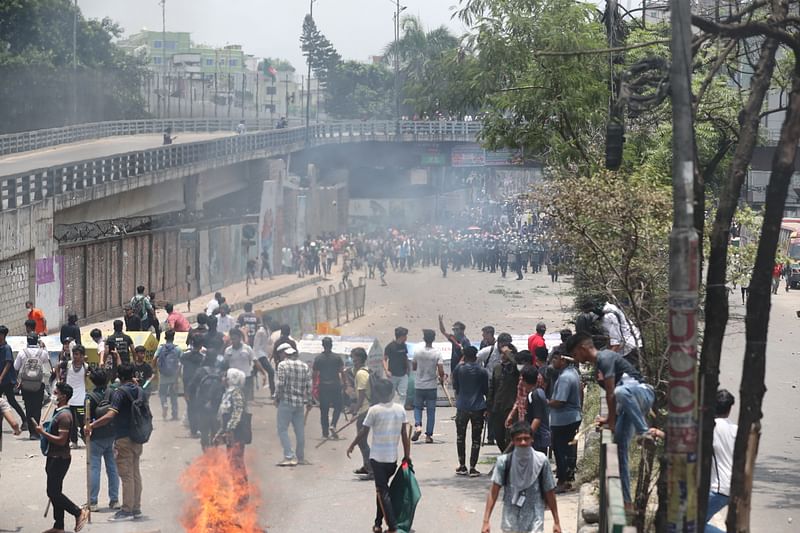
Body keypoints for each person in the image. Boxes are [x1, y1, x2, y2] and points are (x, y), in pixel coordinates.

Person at [566, 332, 663, 507]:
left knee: (619, 392)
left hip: (643, 393)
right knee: (619, 446)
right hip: (629, 403)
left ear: (582, 348)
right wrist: (609, 419)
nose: (576, 359)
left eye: (574, 354)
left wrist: (611, 422)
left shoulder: (605, 357)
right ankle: (627, 501)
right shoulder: (600, 365)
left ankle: (644, 433)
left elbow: (612, 394)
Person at [347, 378, 411, 533]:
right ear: (391, 392)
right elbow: (404, 434)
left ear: (376, 393)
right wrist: (407, 455)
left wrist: (352, 444)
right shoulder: (400, 409)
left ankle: (392, 526)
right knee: (381, 491)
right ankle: (377, 524)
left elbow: (364, 432)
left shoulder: (374, 410)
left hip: (377, 459)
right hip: (392, 459)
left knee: (382, 492)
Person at [87, 363, 148, 521]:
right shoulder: (140, 390)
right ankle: (136, 508)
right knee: (135, 473)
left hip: (123, 438)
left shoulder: (120, 393)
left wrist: (92, 425)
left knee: (126, 475)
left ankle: (126, 510)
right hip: (138, 436)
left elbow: (110, 415)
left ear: (119, 376)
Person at [481, 422, 561, 533]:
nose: (523, 442)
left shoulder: (542, 461)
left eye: (526, 438)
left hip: (535, 521)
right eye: (518, 439)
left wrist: (556, 521)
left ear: (532, 439)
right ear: (513, 441)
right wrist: (486, 521)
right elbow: (493, 492)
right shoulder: (504, 462)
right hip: (511, 521)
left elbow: (549, 491)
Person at [34, 382, 90, 533]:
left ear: (63, 396)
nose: (53, 395)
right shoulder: (58, 411)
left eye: (56, 392)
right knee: (54, 491)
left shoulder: (65, 416)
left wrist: (42, 432)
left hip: (60, 458)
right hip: (53, 457)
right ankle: (59, 526)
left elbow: (61, 440)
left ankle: (78, 512)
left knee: (53, 492)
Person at [548, 350, 583, 492]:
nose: (553, 362)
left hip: (563, 419)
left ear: (563, 360)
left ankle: (562, 481)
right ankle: (568, 479)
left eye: (555, 359)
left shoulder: (565, 378)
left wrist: (546, 402)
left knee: (560, 451)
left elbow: (560, 401)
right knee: (568, 450)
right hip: (572, 417)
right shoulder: (574, 372)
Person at [86, 368, 120, 512]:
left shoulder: (90, 397)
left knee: (94, 468)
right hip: (111, 435)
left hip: (96, 437)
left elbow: (86, 417)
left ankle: (93, 502)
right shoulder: (112, 393)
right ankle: (114, 500)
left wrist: (87, 429)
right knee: (112, 468)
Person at [452, 346, 488, 477]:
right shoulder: (482, 371)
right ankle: (473, 467)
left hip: (462, 407)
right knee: (476, 438)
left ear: (464, 356)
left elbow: (455, 386)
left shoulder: (458, 369)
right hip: (478, 407)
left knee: (460, 437)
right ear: (476, 356)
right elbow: (486, 390)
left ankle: (462, 465)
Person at [275, 343, 312, 466]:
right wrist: (310, 401)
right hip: (299, 404)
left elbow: (280, 384)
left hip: (286, 401)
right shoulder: (304, 366)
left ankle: (289, 456)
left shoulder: (283, 365)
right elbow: (309, 386)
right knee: (300, 430)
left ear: (284, 354)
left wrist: (277, 397)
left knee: (282, 429)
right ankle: (300, 457)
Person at [705, 389, 737, 533]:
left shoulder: (710, 427)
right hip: (733, 487)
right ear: (729, 409)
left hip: (718, 488)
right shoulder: (736, 430)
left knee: (691, 525)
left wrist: (660, 434)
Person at [215, 368, 250, 483]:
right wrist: (220, 432)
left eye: (226, 376)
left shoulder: (236, 392)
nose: (223, 379)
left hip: (237, 433)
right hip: (231, 432)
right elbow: (224, 415)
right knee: (232, 462)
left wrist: (230, 428)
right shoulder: (228, 392)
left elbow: (238, 411)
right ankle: (237, 491)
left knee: (237, 463)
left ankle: (242, 494)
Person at [15, 334, 52, 440]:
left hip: (25, 384)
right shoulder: (42, 353)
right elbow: (47, 363)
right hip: (38, 384)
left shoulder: (22, 352)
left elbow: (16, 367)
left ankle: (31, 432)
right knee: (37, 407)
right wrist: (43, 347)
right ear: (37, 341)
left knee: (28, 407)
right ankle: (36, 431)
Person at [412, 329, 444, 443]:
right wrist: (441, 377)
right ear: (433, 338)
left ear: (424, 338)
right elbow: (440, 370)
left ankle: (418, 425)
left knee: (417, 407)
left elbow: (414, 367)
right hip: (431, 386)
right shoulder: (437, 353)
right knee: (431, 411)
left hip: (419, 385)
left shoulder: (417, 351)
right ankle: (428, 436)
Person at [488, 344, 521, 453]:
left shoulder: (514, 368)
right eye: (502, 353)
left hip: (510, 407)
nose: (503, 355)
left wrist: (509, 353)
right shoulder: (497, 367)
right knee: (499, 436)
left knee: (509, 436)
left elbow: (518, 366)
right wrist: (489, 405)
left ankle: (509, 459)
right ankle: (506, 455)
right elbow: (492, 387)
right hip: (497, 408)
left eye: (505, 353)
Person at [313, 337, 345, 439]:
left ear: (323, 345)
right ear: (331, 345)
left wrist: (314, 385)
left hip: (323, 386)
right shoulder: (337, 358)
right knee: (338, 407)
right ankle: (333, 425)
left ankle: (325, 433)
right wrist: (345, 383)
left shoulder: (318, 358)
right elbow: (342, 371)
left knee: (324, 410)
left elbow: (314, 374)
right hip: (335, 385)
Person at [225, 328, 268, 402]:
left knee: (245, 401)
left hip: (246, 378)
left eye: (235, 339)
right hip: (232, 379)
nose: (233, 341)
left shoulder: (247, 349)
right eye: (232, 339)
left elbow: (255, 361)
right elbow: (225, 365)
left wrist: (263, 373)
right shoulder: (228, 350)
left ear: (240, 338)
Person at [154, 330, 182, 421]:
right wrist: (178, 375)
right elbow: (181, 363)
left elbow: (154, 358)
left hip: (163, 375)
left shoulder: (161, 348)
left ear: (165, 338)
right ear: (173, 338)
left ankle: (164, 404)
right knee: (173, 395)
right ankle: (174, 414)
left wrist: (154, 370)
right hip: (173, 375)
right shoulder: (177, 349)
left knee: (162, 393)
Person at [65, 345, 87, 447]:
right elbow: (57, 367)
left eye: (78, 354)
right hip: (70, 400)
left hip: (81, 400)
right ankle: (74, 441)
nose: (75, 356)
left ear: (82, 356)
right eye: (74, 354)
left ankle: (87, 440)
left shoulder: (86, 367)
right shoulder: (68, 364)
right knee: (72, 423)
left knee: (83, 422)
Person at [383, 327, 410, 404]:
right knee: (390, 394)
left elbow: (405, 357)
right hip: (393, 375)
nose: (406, 338)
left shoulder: (404, 345)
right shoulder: (390, 346)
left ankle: (401, 410)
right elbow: (384, 359)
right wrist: (386, 370)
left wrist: (408, 369)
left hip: (403, 374)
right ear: (401, 336)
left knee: (403, 394)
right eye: (405, 336)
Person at [253, 324, 276, 397]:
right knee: (271, 372)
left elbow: (268, 343)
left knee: (252, 373)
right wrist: (256, 357)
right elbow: (256, 345)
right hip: (259, 355)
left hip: (263, 354)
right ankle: (273, 392)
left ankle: (249, 393)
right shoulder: (261, 332)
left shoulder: (267, 330)